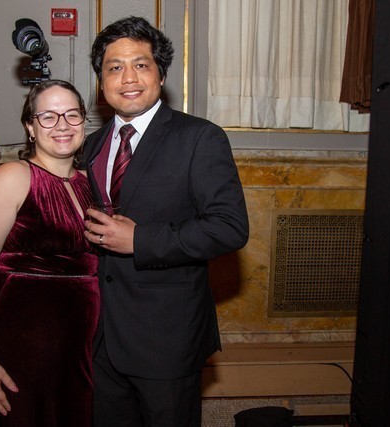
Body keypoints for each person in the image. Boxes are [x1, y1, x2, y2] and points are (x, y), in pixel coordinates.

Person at [83, 16, 249, 426]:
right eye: (114, 67)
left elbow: (229, 227)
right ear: (101, 82)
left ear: (161, 74)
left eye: (141, 64)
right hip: (101, 338)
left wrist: (141, 240)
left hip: (166, 338)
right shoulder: (90, 145)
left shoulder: (200, 138)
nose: (128, 78)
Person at [0, 79, 99, 426]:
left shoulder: (89, 183)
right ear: (30, 127)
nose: (63, 125)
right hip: (19, 347)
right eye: (48, 116)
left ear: (84, 121)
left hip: (77, 349)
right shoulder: (14, 177)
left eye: (72, 114)